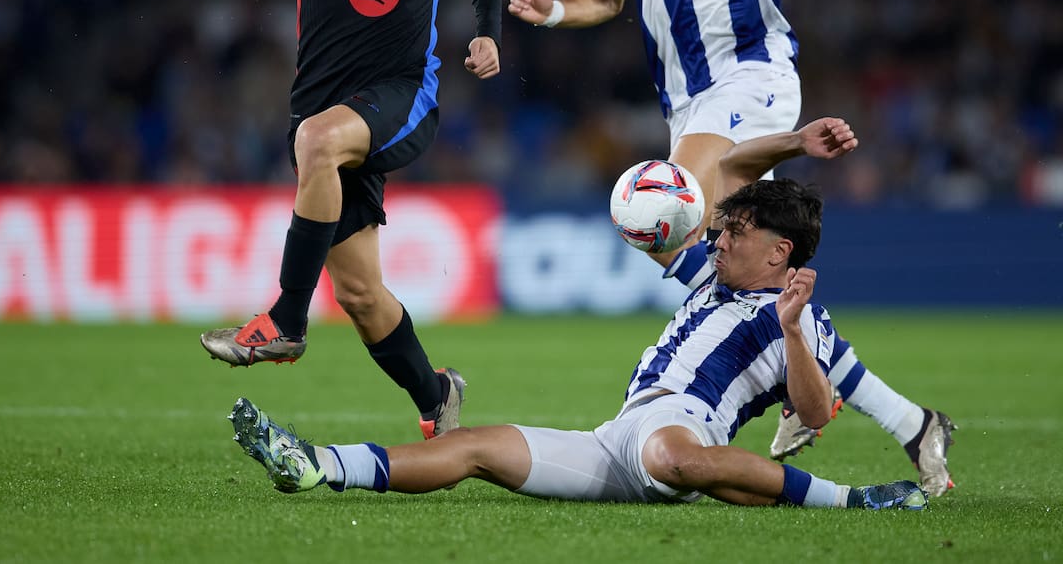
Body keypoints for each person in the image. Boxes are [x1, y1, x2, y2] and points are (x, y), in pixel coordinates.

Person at [506, 0, 953, 492]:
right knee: (737, 270)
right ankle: (906, 419)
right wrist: (553, 10)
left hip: (753, 76)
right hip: (687, 104)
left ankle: (804, 383)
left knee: (670, 215)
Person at [225, 119, 927, 510]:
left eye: (734, 234)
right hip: (617, 438)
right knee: (476, 448)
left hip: (681, 434)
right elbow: (727, 173)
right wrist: (796, 143)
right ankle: (315, 464)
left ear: (780, 252)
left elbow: (815, 410)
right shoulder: (710, 278)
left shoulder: (797, 317)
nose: (717, 239)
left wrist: (795, 331)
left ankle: (851, 501)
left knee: (672, 455)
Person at [113, 0, 503, 439]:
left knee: (318, 141)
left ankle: (286, 322)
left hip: (402, 96)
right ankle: (438, 397)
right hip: (324, 105)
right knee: (360, 294)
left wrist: (488, 31)